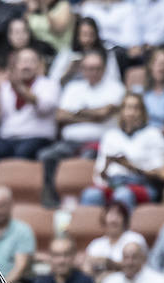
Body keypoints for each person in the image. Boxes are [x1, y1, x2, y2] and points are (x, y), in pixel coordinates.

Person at [39, 48, 125, 206]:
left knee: (85, 160)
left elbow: (103, 114)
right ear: (82, 69)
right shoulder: (73, 88)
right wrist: (91, 114)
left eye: (96, 68)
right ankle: (52, 202)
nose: (92, 72)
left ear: (104, 69)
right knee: (47, 156)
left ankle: (85, 203)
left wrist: (76, 113)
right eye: (88, 68)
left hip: (98, 144)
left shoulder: (116, 88)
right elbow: (60, 116)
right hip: (69, 142)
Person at [0, 48, 59, 192]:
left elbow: (44, 107)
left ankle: (22, 198)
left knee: (22, 154)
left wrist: (19, 88)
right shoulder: (4, 86)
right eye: (23, 61)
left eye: (31, 61)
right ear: (15, 65)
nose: (26, 65)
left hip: (36, 138)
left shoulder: (48, 84)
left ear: (38, 65)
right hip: (7, 140)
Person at [81, 91, 164, 209]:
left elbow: (160, 173)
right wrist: (107, 166)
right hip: (114, 182)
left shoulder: (153, 134)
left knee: (122, 195)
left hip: (142, 184)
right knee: (90, 194)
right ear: (121, 112)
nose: (131, 113)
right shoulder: (110, 135)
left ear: (143, 112)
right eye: (127, 108)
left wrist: (130, 166)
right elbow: (99, 176)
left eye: (136, 108)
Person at [83, 202, 147, 280]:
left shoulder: (135, 238)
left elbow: (137, 265)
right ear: (104, 219)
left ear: (125, 219)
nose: (113, 220)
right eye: (110, 215)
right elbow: (86, 268)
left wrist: (109, 263)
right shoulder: (96, 244)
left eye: (118, 215)